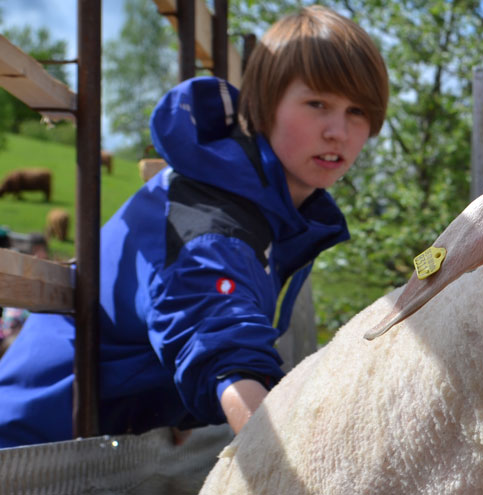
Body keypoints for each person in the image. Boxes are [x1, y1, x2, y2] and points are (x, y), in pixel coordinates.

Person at [0, 6, 389, 448]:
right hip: (31, 449)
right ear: (264, 106)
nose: (338, 130)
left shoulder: (268, 212)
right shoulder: (209, 219)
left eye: (357, 111)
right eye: (317, 103)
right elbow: (226, 353)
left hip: (103, 444)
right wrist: (306, 468)